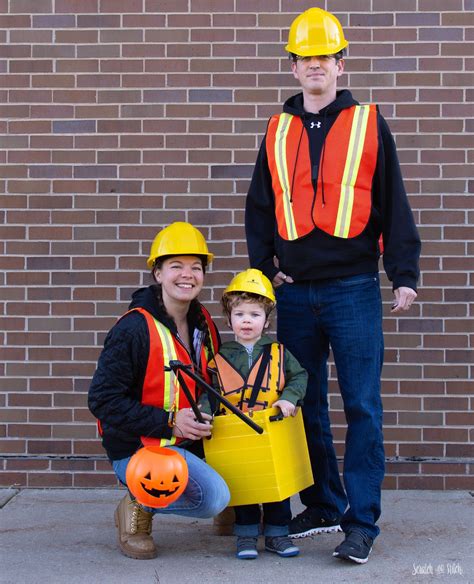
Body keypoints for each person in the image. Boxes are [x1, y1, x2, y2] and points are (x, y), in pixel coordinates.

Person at [245, 7, 421, 564]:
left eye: (323, 56)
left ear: (340, 64)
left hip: (353, 288)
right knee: (306, 403)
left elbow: (393, 199)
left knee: (363, 405)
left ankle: (361, 521)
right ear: (293, 68)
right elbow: (259, 206)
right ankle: (323, 501)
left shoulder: (369, 122)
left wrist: (404, 275)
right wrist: (266, 271)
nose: (314, 65)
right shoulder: (276, 129)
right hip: (295, 291)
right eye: (304, 58)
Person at [88, 221, 230, 560]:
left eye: (196, 267)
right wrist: (170, 422)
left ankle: (235, 502)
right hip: (141, 449)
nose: (187, 275)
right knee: (212, 499)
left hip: (187, 441)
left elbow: (213, 381)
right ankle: (139, 503)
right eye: (176, 266)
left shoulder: (203, 322)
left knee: (247, 468)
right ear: (158, 274)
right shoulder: (134, 329)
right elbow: (101, 400)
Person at [205, 268, 308, 560]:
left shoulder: (279, 351)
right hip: (235, 432)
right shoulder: (220, 355)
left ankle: (277, 535)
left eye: (254, 314)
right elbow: (208, 390)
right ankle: (246, 536)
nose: (247, 320)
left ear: (266, 320)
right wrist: (204, 413)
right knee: (245, 486)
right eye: (239, 315)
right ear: (229, 319)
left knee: (278, 487)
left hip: (272, 427)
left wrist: (289, 398)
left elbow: (299, 376)